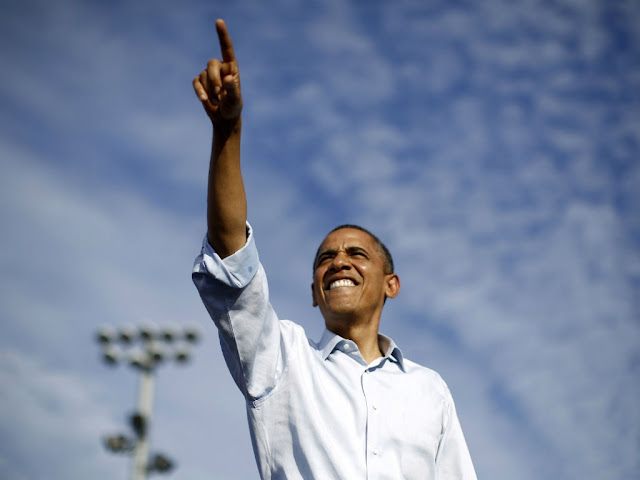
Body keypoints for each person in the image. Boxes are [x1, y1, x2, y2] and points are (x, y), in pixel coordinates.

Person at [192, 19, 477, 480]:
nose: (339, 261)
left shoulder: (430, 390)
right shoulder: (281, 358)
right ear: (313, 292)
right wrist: (228, 131)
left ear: (392, 284)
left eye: (356, 254)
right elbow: (232, 261)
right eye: (325, 259)